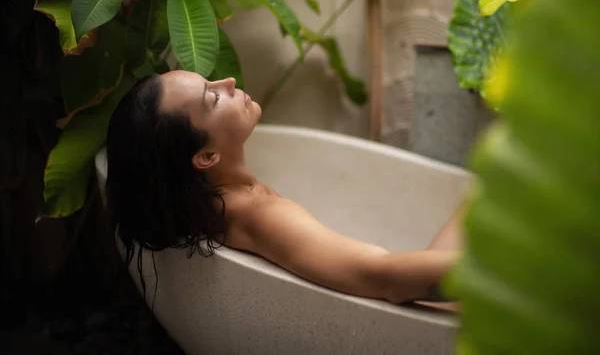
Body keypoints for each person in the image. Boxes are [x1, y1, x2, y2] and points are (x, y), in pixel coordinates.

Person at [105, 71, 463, 306]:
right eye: (212, 98)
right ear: (207, 155)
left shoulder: (218, 205)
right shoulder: (262, 216)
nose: (228, 82)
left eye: (211, 81)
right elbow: (384, 279)